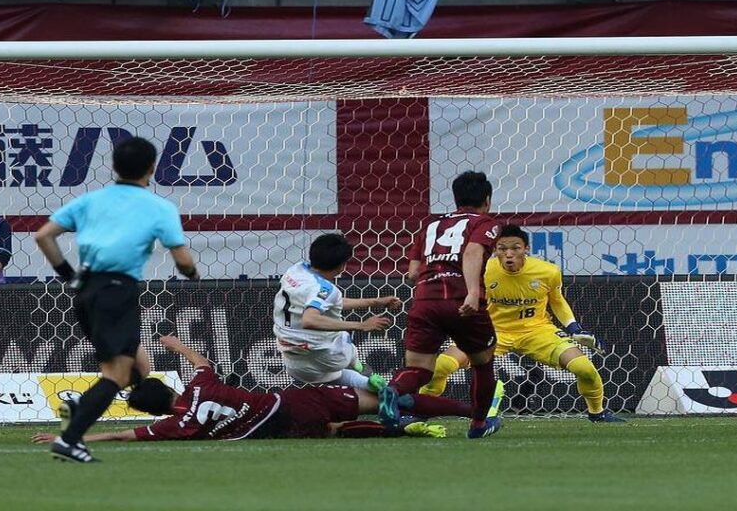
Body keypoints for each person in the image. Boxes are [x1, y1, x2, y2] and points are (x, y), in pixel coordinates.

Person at [35, 137, 200, 463]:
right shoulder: (159, 207)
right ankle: (70, 439)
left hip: (85, 292)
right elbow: (182, 260)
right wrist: (192, 273)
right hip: (117, 292)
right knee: (117, 375)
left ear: (113, 166)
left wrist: (69, 276)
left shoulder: (90, 200)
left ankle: (79, 409)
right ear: (152, 168)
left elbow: (43, 236)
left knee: (135, 369)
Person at [31, 336, 473, 445]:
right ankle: (468, 409)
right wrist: (173, 344)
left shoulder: (173, 426)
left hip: (283, 427)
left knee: (336, 430)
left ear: (153, 412)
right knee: (388, 397)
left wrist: (69, 437)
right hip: (293, 399)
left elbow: (121, 435)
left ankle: (402, 430)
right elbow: (203, 363)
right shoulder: (199, 386)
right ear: (164, 386)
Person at [418, 225, 625, 422]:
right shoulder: (481, 270)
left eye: (515, 248)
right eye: (502, 248)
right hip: (492, 331)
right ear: (495, 250)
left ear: (526, 249)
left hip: (537, 331)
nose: (509, 254)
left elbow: (557, 301)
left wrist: (573, 327)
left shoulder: (548, 271)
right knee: (441, 366)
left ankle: (597, 413)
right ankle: (419, 412)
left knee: (585, 368)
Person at [380, 171, 502, 439]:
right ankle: (478, 424)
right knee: (482, 362)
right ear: (487, 200)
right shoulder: (486, 222)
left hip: (425, 301)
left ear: (456, 198)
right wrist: (472, 292)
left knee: (418, 370)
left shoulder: (432, 225)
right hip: (461, 300)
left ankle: (393, 391)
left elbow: (413, 272)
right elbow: (473, 251)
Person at [274, 233, 400, 392]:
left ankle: (370, 385)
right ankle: (360, 368)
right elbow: (310, 319)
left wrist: (376, 302)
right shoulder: (325, 289)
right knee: (343, 337)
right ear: (342, 266)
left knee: (334, 376)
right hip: (330, 356)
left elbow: (330, 302)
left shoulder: (295, 271)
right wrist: (362, 325)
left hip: (294, 363)